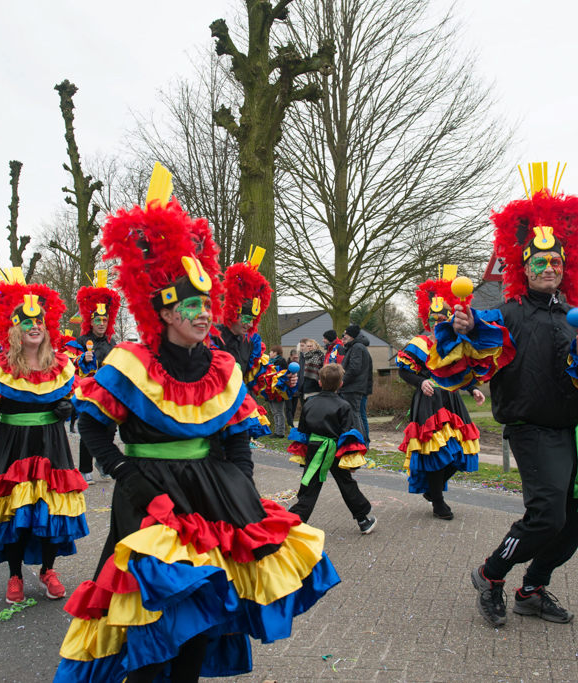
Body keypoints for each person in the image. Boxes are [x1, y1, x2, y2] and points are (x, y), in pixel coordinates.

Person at [55, 166, 338, 682]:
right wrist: (123, 471)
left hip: (211, 495)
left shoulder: (223, 368)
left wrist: (241, 481)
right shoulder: (129, 362)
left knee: (198, 621)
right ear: (163, 310)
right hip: (148, 496)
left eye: (207, 304)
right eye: (192, 305)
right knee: (149, 614)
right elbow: (93, 426)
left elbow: (235, 433)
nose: (204, 314)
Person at [428, 163, 578, 626]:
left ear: (566, 265)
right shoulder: (507, 313)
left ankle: (532, 589)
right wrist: (466, 324)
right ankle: (490, 574)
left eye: (556, 261)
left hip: (569, 430)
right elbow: (475, 339)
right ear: (524, 267)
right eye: (540, 262)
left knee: (571, 523)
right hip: (530, 428)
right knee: (545, 516)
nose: (549, 268)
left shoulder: (576, 316)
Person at [0, 269, 88, 604]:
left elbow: (73, 398)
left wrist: (67, 408)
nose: (34, 327)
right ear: (15, 329)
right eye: (26, 322)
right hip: (12, 443)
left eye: (39, 321)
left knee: (50, 509)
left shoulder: (61, 364)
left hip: (51, 443)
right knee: (15, 512)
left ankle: (47, 569)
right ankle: (14, 575)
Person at [397, 266, 486, 520]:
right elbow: (404, 371)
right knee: (436, 450)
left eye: (442, 318)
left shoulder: (456, 342)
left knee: (460, 448)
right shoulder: (420, 343)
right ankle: (438, 500)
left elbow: (460, 372)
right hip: (429, 400)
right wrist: (419, 381)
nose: (438, 322)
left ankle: (433, 491)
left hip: (452, 399)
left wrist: (473, 388)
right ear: (428, 319)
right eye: (434, 319)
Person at [211, 248, 294, 481]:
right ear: (233, 311)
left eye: (253, 319)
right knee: (214, 470)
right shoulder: (211, 335)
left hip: (237, 413)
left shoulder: (252, 341)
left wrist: (282, 380)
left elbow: (258, 376)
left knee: (242, 471)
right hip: (209, 414)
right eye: (245, 318)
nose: (249, 324)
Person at [286, 363, 375, 532]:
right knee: (346, 483)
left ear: (319, 382)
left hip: (314, 448)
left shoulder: (309, 404)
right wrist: (352, 462)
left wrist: (304, 457)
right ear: (341, 384)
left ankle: (295, 521)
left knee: (309, 486)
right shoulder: (344, 406)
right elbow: (347, 435)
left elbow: (303, 431)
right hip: (335, 450)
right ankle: (363, 520)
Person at [69, 270, 121, 483]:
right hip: (87, 391)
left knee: (109, 428)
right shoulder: (80, 341)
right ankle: (84, 468)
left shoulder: (112, 343)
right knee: (89, 428)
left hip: (108, 392)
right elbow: (68, 365)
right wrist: (82, 359)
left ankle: (102, 462)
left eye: (105, 319)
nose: (101, 323)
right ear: (90, 321)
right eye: (97, 319)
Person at [339, 324, 372, 441]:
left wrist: (341, 381)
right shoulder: (355, 346)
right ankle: (361, 441)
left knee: (354, 414)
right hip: (353, 387)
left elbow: (354, 368)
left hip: (353, 387)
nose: (344, 336)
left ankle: (360, 442)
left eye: (346, 334)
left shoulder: (357, 347)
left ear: (352, 335)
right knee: (355, 414)